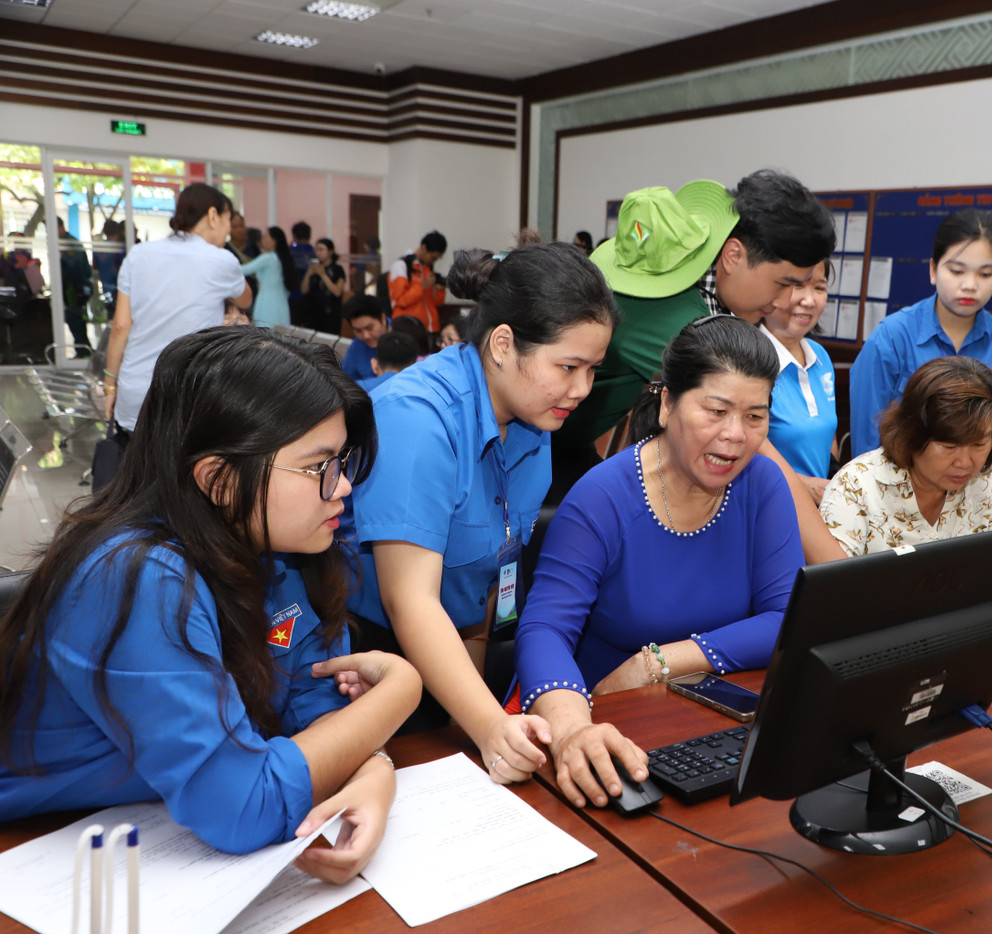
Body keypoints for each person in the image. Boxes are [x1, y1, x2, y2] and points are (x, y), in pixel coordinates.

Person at [0, 328, 422, 872]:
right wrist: (402, 690)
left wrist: (374, 769)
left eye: (342, 461)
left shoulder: (291, 549)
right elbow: (242, 808)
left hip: (143, 823)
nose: (342, 487)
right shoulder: (135, 577)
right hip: (39, 849)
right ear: (219, 480)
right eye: (320, 467)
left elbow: (317, 711)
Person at [341, 242, 617, 783]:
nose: (582, 390)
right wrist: (488, 725)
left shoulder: (534, 416)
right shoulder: (417, 419)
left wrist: (475, 717)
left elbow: (492, 573)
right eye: (568, 367)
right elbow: (410, 601)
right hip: (371, 658)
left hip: (454, 647)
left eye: (593, 370)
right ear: (503, 344)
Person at [515, 315, 803, 808]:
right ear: (668, 404)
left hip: (707, 730)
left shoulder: (763, 484)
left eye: (756, 416)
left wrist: (659, 662)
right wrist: (571, 729)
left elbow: (787, 618)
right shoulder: (602, 497)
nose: (736, 435)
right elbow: (544, 629)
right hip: (605, 727)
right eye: (717, 411)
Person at [551, 171, 836, 499]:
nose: (784, 301)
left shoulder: (698, 288)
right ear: (733, 256)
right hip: (543, 449)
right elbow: (741, 430)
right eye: (783, 283)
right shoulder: (674, 315)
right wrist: (804, 488)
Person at [818, 356, 992, 641]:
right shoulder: (856, 485)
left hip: (964, 640)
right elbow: (829, 605)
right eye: (948, 446)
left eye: (979, 444)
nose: (965, 463)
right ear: (912, 433)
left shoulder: (986, 478)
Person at [849, 208, 992, 458]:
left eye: (985, 274)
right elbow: (867, 437)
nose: (970, 285)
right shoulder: (892, 336)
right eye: (956, 271)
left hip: (973, 478)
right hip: (897, 478)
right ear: (933, 270)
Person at [104, 184, 251, 439]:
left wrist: (109, 385)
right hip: (190, 394)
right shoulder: (221, 261)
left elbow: (120, 326)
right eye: (228, 220)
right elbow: (246, 298)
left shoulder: (138, 255)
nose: (228, 231)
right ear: (213, 215)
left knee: (137, 462)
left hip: (137, 391)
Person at [761, 257, 837, 501]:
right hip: (769, 506)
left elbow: (829, 437)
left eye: (819, 287)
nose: (809, 300)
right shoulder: (749, 360)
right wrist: (805, 486)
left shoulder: (821, 356)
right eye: (797, 285)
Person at [388, 230, 447, 333]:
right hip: (407, 329)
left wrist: (439, 289)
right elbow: (399, 301)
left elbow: (436, 302)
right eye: (433, 258)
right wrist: (422, 287)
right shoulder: (402, 266)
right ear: (423, 248)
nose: (433, 261)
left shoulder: (428, 269)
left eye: (437, 259)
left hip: (430, 328)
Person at [241, 226, 297, 329]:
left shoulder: (268, 258)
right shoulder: (283, 259)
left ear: (274, 240)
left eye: (266, 237)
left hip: (267, 303)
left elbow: (244, 270)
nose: (263, 240)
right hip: (282, 305)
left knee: (265, 333)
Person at [56, 218, 93, 354]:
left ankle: (83, 351)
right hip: (71, 288)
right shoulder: (63, 242)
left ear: (60, 227)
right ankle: (83, 350)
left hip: (75, 288)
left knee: (76, 319)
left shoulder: (69, 243)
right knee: (74, 319)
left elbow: (73, 267)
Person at [302, 237, 347, 335]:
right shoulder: (314, 268)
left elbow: (337, 292)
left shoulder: (338, 269)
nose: (318, 253)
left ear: (330, 252)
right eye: (316, 250)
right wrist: (308, 274)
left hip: (330, 314)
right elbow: (304, 290)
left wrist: (323, 275)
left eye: (321, 249)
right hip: (312, 312)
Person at [341, 293, 389, 382]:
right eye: (358, 331)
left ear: (383, 318)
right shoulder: (356, 347)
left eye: (370, 328)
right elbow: (345, 381)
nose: (366, 336)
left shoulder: (405, 334)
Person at [288, 221, 316, 326]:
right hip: (311, 298)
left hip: (293, 297)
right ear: (309, 235)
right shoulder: (315, 252)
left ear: (294, 236)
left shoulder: (290, 252)